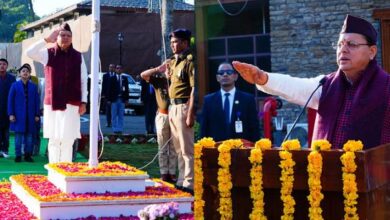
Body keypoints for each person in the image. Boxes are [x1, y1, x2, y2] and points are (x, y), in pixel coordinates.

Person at [233, 14, 388, 149]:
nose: (343, 49)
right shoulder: (326, 85)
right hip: (328, 178)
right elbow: (297, 86)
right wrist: (263, 78)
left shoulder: (386, 88)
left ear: (372, 52)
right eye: (340, 44)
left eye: (351, 44)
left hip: (373, 180)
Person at [25, 23, 88, 163]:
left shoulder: (78, 56)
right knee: (54, 139)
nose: (65, 38)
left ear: (72, 38)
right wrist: (47, 39)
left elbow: (84, 80)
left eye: (68, 35)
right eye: (62, 35)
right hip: (52, 103)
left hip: (72, 103)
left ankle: (65, 170)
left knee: (68, 139)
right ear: (57, 37)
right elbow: (29, 52)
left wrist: (84, 102)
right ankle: (54, 169)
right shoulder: (48, 54)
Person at [166, 28, 195, 194]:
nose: (173, 45)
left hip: (184, 106)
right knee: (178, 148)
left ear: (185, 42)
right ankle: (181, 179)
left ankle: (189, 183)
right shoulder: (174, 62)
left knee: (186, 149)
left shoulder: (189, 61)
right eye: (171, 42)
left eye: (176, 42)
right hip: (172, 107)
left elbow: (194, 89)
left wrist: (190, 113)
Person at [200, 62, 260, 142]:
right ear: (217, 78)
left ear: (235, 76)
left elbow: (254, 128)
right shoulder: (209, 100)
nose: (225, 75)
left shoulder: (247, 99)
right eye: (221, 73)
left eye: (229, 72)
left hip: (241, 149)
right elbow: (204, 129)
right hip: (216, 150)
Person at [141, 65, 178, 183]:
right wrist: (158, 69)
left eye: (171, 70)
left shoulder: (178, 82)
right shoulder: (159, 81)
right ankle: (164, 172)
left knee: (173, 146)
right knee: (162, 146)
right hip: (163, 115)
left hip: (175, 115)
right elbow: (143, 75)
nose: (169, 72)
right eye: (167, 70)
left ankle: (172, 172)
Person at [8, 64, 40, 162]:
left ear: (30, 74)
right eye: (23, 71)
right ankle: (18, 155)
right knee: (18, 137)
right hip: (18, 116)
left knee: (29, 137)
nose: (25, 73)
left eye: (27, 71)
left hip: (30, 116)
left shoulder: (34, 87)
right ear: (19, 73)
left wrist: (37, 114)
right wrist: (11, 114)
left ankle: (27, 155)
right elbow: (10, 100)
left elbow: (37, 101)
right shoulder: (14, 85)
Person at [0, 58, 16, 158]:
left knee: (6, 132)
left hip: (7, 109)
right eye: (0, 64)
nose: (2, 66)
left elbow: (14, 95)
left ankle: (5, 150)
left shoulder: (12, 79)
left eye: (4, 64)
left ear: (7, 66)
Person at [108, 64, 129, 134]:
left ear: (122, 70)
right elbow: (109, 90)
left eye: (120, 68)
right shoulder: (112, 78)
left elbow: (127, 90)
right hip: (114, 99)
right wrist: (109, 100)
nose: (119, 69)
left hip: (122, 99)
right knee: (113, 115)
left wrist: (127, 99)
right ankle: (114, 129)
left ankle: (120, 129)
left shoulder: (125, 78)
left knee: (121, 115)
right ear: (115, 69)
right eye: (117, 68)